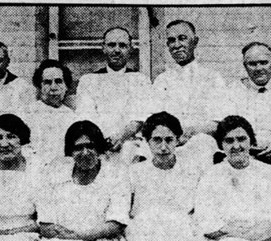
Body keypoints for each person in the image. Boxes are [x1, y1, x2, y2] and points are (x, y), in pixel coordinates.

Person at [122, 111, 208, 241]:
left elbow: (200, 210)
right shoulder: (135, 172)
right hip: (144, 228)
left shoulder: (192, 171)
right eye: (156, 140)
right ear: (147, 142)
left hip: (182, 227)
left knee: (181, 234)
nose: (163, 147)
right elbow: (127, 211)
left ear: (178, 140)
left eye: (169, 140)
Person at [75, 27, 153, 163]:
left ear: (130, 49)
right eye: (111, 45)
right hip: (98, 144)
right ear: (103, 48)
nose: (117, 50)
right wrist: (104, 141)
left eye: (122, 45)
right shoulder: (88, 80)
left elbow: (139, 118)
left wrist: (121, 138)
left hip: (130, 145)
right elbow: (86, 117)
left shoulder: (140, 79)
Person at [151, 19, 221, 161]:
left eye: (182, 39)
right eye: (171, 40)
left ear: (195, 42)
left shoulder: (212, 78)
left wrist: (189, 133)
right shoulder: (161, 80)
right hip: (168, 141)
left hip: (198, 141)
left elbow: (217, 122)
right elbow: (153, 120)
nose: (177, 45)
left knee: (203, 144)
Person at [19, 59, 78, 165]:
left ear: (66, 86)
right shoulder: (27, 113)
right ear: (39, 86)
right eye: (47, 82)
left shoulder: (72, 116)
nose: (53, 87)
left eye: (59, 81)